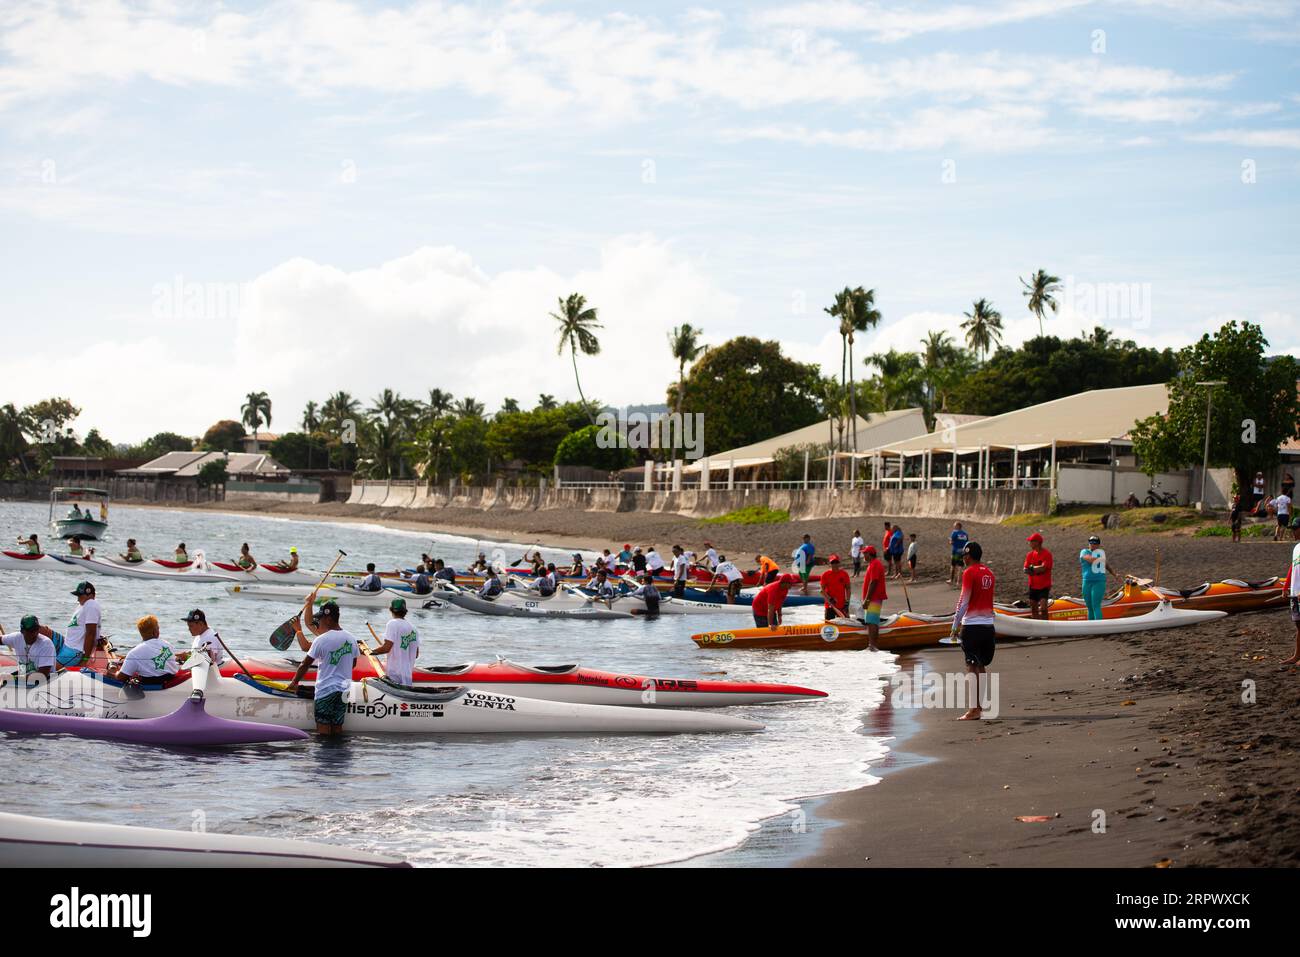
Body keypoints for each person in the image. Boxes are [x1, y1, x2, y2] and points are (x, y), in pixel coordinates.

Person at [286, 598, 357, 736]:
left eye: (322, 619)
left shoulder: (322, 640)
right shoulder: (351, 638)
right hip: (344, 691)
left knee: (323, 732)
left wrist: (295, 682)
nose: (320, 622)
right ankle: (338, 755)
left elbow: (305, 664)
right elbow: (353, 664)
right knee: (337, 728)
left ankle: (325, 757)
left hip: (326, 690)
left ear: (329, 619)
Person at [950, 542, 996, 720]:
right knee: (981, 665)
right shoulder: (989, 573)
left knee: (971, 665)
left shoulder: (969, 572)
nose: (963, 558)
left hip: (973, 626)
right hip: (988, 626)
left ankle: (973, 709)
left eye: (964, 556)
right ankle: (980, 706)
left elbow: (964, 601)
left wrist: (955, 625)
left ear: (968, 556)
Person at [107, 615, 179, 686]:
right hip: (170, 681)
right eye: (158, 628)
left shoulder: (134, 653)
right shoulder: (168, 645)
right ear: (155, 632)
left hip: (152, 686)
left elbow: (120, 678)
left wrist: (111, 671)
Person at [370, 598, 419, 686]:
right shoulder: (414, 629)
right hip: (407, 675)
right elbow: (416, 654)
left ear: (391, 610)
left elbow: (386, 648)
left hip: (394, 673)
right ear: (405, 612)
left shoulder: (392, 623)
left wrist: (370, 652)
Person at [64, 581, 103, 666]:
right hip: (68, 645)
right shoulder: (83, 605)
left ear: (90, 595)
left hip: (75, 651)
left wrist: (85, 659)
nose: (78, 599)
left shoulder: (91, 604)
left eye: (80, 596)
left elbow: (91, 633)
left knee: (50, 667)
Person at [1078, 535, 1115, 621]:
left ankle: (1099, 626)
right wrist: (1101, 559)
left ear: (1098, 545)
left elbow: (1106, 565)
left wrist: (1114, 574)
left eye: (1094, 543)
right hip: (1086, 582)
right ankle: (1091, 627)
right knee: (1089, 606)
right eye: (1090, 542)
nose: (1092, 544)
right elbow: (1090, 560)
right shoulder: (1084, 551)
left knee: (1096, 605)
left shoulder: (1100, 553)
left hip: (1099, 582)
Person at [860, 545, 887, 652]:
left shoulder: (875, 564)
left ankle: (873, 646)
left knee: (872, 621)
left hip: (874, 598)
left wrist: (867, 600)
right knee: (871, 621)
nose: (863, 555)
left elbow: (874, 582)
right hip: (873, 598)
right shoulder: (872, 564)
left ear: (869, 554)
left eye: (865, 553)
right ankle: (872, 645)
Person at [1023, 533, 1053, 620]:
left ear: (1037, 542)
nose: (1029, 543)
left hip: (1044, 586)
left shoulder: (1047, 554)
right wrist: (1034, 569)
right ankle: (1036, 628)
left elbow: (1043, 568)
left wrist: (1031, 568)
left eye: (1031, 541)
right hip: (1033, 585)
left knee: (1043, 608)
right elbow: (1025, 569)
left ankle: (1046, 626)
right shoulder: (1030, 555)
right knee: (1033, 609)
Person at [819, 554, 851, 620]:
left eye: (836, 562)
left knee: (845, 627)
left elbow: (848, 588)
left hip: (842, 606)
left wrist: (847, 601)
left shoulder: (844, 574)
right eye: (833, 562)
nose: (835, 564)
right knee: (829, 628)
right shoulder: (825, 575)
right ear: (830, 564)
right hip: (830, 606)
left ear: (839, 563)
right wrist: (830, 599)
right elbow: (822, 590)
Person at [1285, 538, 1300, 666]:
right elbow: (1293, 567)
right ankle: (1296, 656)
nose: (1293, 531)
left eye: (1296, 528)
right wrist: (1285, 586)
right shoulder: (1296, 548)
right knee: (1298, 625)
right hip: (1295, 593)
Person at [948, 522, 969, 587]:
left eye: (954, 525)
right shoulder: (965, 534)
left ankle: (951, 580)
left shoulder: (954, 532)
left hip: (956, 551)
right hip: (962, 552)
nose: (954, 527)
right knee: (960, 567)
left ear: (958, 526)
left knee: (953, 565)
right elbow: (967, 543)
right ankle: (958, 582)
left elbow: (951, 542)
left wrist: (950, 541)